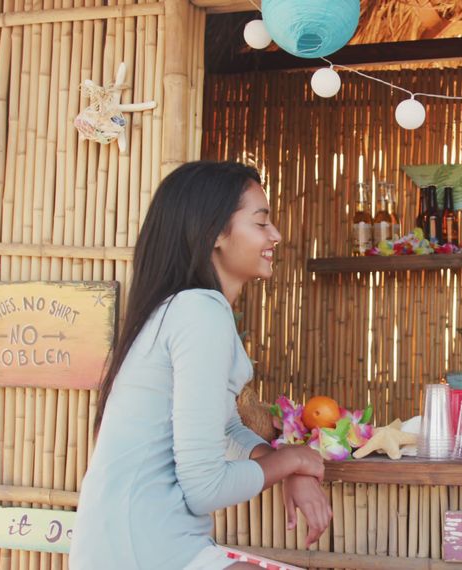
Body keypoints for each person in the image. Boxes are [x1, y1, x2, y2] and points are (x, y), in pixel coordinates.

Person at [71, 161, 331, 569]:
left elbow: (224, 424)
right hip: (143, 548)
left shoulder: (183, 308)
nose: (275, 235)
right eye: (261, 222)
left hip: (132, 539)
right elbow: (205, 487)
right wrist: (294, 461)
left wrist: (283, 461)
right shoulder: (200, 312)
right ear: (215, 234)